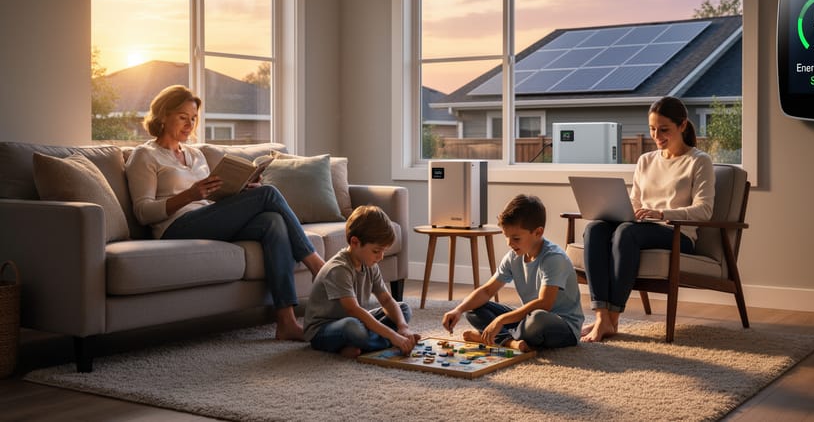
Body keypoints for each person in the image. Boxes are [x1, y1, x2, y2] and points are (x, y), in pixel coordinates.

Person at [125, 85, 324, 342]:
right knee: (269, 194)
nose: (189, 124)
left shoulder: (195, 155)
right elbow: (142, 212)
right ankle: (318, 265)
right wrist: (189, 195)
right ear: (163, 116)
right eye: (183, 117)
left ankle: (285, 321)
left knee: (272, 221)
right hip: (175, 227)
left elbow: (214, 197)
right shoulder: (145, 155)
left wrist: (243, 189)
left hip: (207, 219)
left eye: (193, 118)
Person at [580, 96, 715, 343]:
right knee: (596, 229)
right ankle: (601, 317)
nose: (656, 136)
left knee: (625, 233)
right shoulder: (645, 160)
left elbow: (704, 210)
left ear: (682, 125)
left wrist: (662, 214)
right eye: (652, 129)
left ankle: (614, 317)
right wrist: (622, 212)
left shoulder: (699, 161)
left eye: (664, 129)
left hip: (678, 235)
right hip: (641, 227)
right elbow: (635, 202)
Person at [441, 194, 584, 352]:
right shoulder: (514, 256)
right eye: (507, 237)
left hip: (561, 326)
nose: (510, 243)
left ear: (538, 232)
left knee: (538, 318)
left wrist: (501, 320)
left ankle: (491, 337)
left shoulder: (554, 258)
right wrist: (458, 309)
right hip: (525, 319)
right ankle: (509, 342)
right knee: (473, 308)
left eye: (516, 238)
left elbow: (545, 303)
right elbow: (487, 290)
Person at [304, 205, 419, 358]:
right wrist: (393, 336)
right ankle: (383, 342)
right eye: (376, 251)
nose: (381, 257)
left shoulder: (370, 264)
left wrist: (402, 327)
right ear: (355, 242)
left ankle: (361, 345)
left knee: (403, 309)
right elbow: (354, 310)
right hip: (324, 330)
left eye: (383, 251)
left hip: (356, 320)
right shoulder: (339, 269)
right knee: (352, 328)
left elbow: (385, 299)